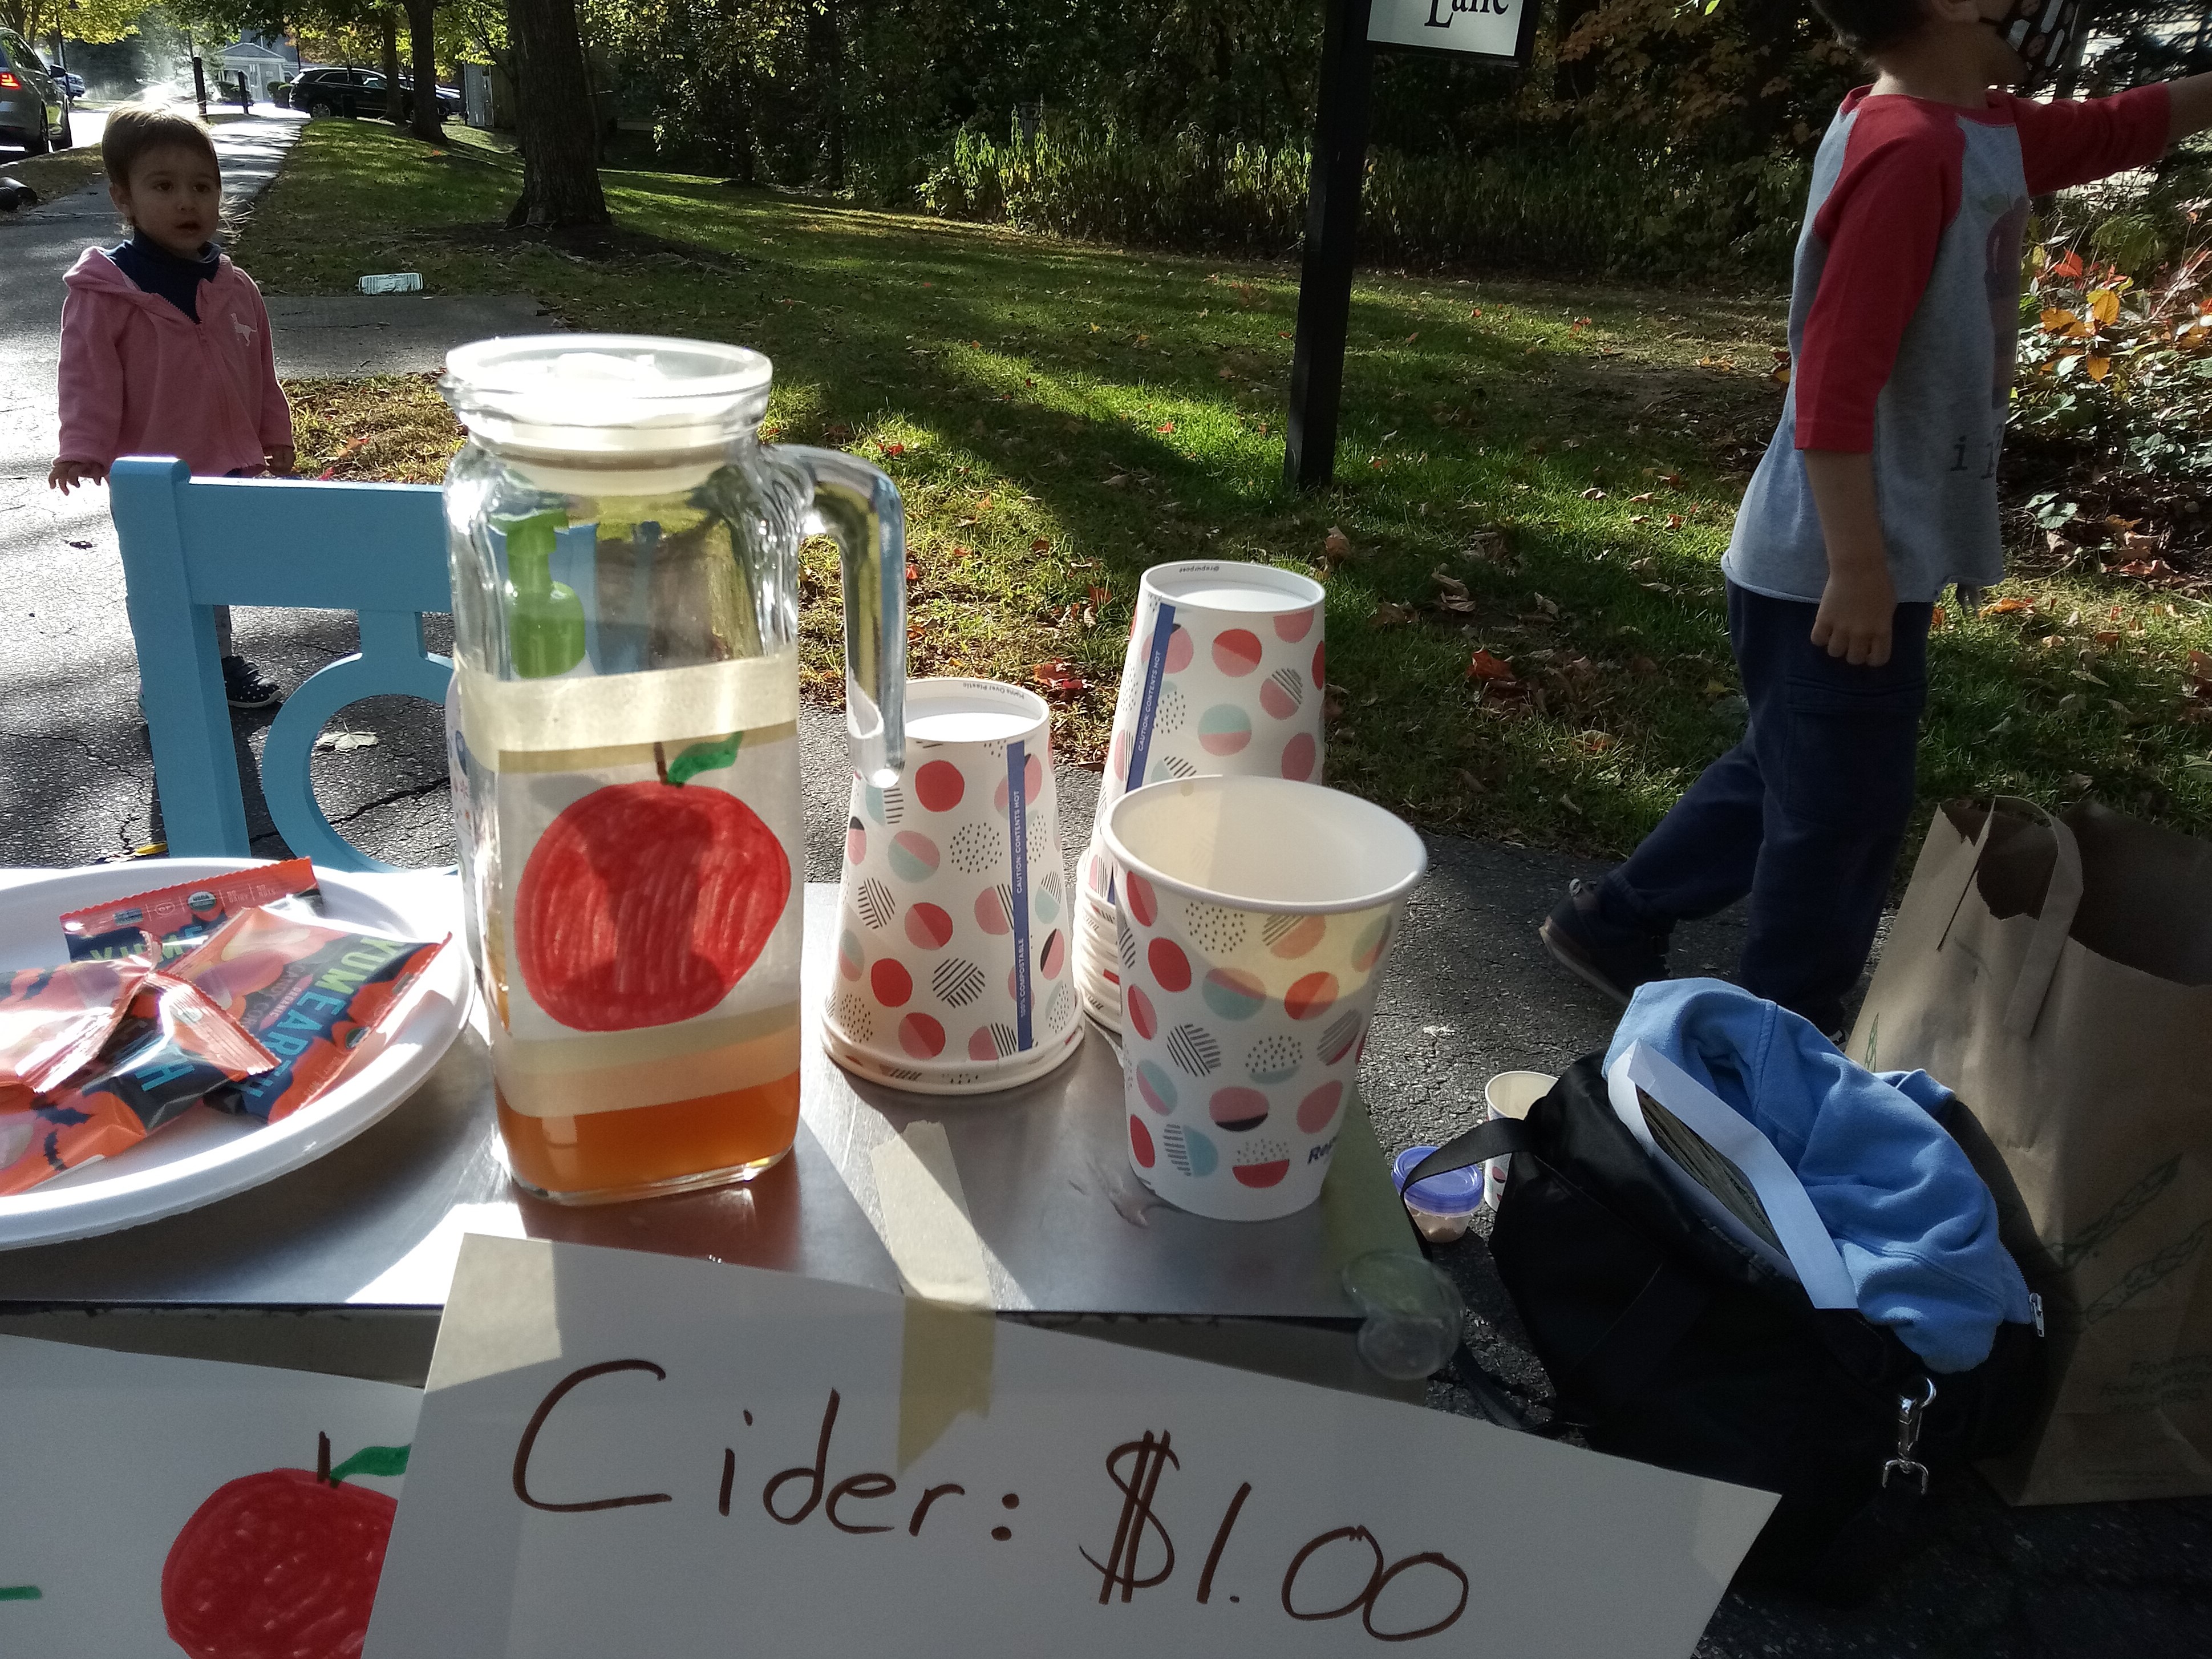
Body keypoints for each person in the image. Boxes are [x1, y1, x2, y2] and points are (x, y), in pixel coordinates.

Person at [1540, 0, 2212, 1037]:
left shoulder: (1973, 129)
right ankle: (1782, 1034)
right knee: (1841, 819)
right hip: (1837, 562)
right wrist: (1857, 566)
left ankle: (1615, 923)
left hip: (1829, 556)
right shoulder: (1906, 154)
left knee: (1787, 767)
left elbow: (2121, 124)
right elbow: (1832, 385)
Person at [47, 102, 292, 711]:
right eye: (164, 186)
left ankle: (220, 660)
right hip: (147, 470)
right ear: (123, 199)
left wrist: (273, 430)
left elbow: (260, 370)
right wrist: (83, 445)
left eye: (202, 187)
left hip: (225, 460)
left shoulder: (235, 289)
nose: (188, 202)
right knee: (160, 579)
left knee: (211, 572)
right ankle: (166, 670)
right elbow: (86, 375)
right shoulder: (107, 293)